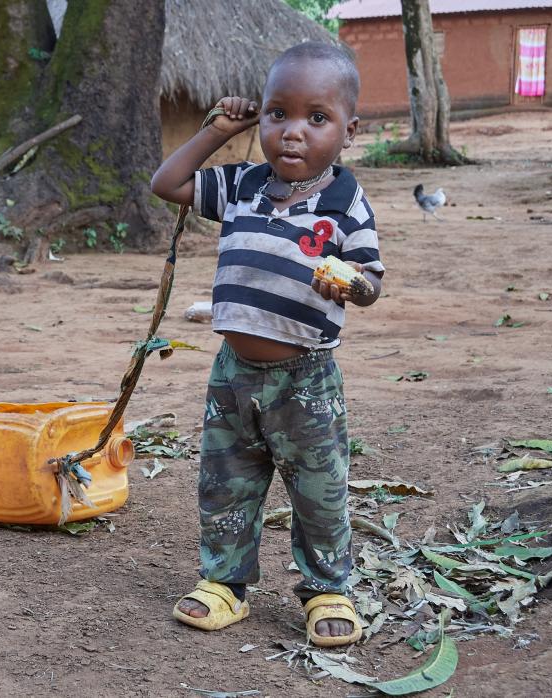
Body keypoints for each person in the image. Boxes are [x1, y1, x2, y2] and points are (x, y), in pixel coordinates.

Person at [149, 41, 384, 647]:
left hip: (305, 378)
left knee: (319, 491)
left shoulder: (346, 205)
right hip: (233, 375)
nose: (293, 133)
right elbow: (166, 183)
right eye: (277, 114)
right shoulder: (242, 185)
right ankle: (225, 583)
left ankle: (327, 589)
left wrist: (355, 285)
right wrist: (219, 131)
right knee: (226, 481)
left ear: (349, 131)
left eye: (317, 118)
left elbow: (370, 280)